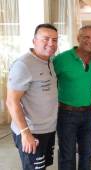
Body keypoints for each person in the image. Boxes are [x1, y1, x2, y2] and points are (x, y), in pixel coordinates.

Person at [6, 23, 58, 170]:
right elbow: (11, 102)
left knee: (42, 166)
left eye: (54, 40)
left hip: (47, 129)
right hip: (32, 131)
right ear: (34, 41)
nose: (51, 43)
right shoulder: (23, 64)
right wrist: (25, 133)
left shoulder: (49, 62)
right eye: (46, 39)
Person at [53, 25, 91, 170]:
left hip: (88, 113)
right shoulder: (61, 59)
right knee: (67, 155)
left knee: (87, 153)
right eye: (86, 37)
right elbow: (48, 82)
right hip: (66, 113)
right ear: (78, 38)